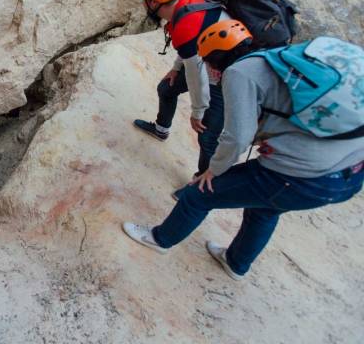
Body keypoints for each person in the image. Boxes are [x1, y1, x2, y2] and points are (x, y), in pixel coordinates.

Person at [122, 20, 364, 280]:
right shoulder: (276, 61)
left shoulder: (240, 73)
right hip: (349, 175)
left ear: (216, 61)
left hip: (300, 177)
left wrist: (213, 171)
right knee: (265, 208)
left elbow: (237, 137)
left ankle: (160, 239)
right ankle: (236, 263)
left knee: (198, 195)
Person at [134, 0, 232, 183]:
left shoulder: (185, 23)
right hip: (213, 61)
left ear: (154, 2)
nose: (145, 5)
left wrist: (198, 111)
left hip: (228, 77)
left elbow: (196, 73)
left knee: (207, 134)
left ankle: (202, 182)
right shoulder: (188, 5)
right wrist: (176, 68)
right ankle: (161, 130)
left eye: (146, 1)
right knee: (166, 88)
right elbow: (191, 48)